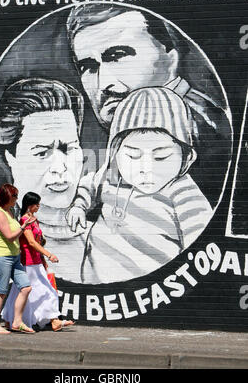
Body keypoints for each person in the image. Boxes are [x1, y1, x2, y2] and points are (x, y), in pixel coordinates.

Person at [66, 2, 232, 208]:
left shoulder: (204, 131)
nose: (103, 83)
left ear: (170, 59)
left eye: (117, 56)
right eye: (88, 67)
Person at [67, 87, 213, 284]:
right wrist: (78, 206)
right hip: (96, 285)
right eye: (132, 156)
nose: (146, 168)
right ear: (116, 153)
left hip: (148, 292)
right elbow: (89, 185)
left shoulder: (184, 192)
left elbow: (200, 246)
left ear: (186, 156)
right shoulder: (112, 174)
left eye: (161, 156)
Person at [0, 78, 89, 283]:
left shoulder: (101, 233)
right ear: (10, 157)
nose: (60, 168)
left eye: (69, 148)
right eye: (43, 152)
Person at [1, 192, 75, 331]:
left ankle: (9, 319)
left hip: (36, 261)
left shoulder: (34, 219)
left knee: (21, 291)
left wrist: (42, 259)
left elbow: (38, 241)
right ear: (30, 205)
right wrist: (49, 255)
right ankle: (53, 320)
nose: (38, 206)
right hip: (28, 263)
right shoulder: (24, 220)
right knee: (44, 290)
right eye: (36, 204)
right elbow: (31, 242)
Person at [0, 183, 36, 334]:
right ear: (7, 197)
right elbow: (9, 237)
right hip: (2, 257)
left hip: (14, 257)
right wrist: (24, 226)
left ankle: (17, 322)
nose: (17, 198)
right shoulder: (0, 214)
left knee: (26, 287)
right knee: (1, 291)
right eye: (14, 196)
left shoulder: (9, 212)